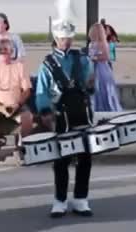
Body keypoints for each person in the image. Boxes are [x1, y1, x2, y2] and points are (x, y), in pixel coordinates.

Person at [36, 7, 95, 217]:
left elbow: (89, 85)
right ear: (56, 39)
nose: (66, 42)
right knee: (61, 159)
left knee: (85, 157)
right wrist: (45, 112)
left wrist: (90, 86)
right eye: (62, 39)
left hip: (82, 112)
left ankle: (81, 198)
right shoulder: (48, 64)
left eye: (69, 38)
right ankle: (59, 200)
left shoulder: (83, 59)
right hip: (61, 113)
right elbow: (42, 90)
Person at [0, 39, 34, 162]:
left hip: (16, 104)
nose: (3, 52)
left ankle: (20, 146)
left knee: (28, 117)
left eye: (5, 50)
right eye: (0, 50)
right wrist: (0, 107)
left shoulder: (20, 67)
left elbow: (27, 90)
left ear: (12, 51)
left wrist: (18, 104)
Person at [88, 23, 122, 112]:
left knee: (102, 87)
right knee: (95, 88)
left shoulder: (103, 44)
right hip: (93, 67)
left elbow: (106, 57)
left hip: (101, 68)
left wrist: (94, 58)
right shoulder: (91, 43)